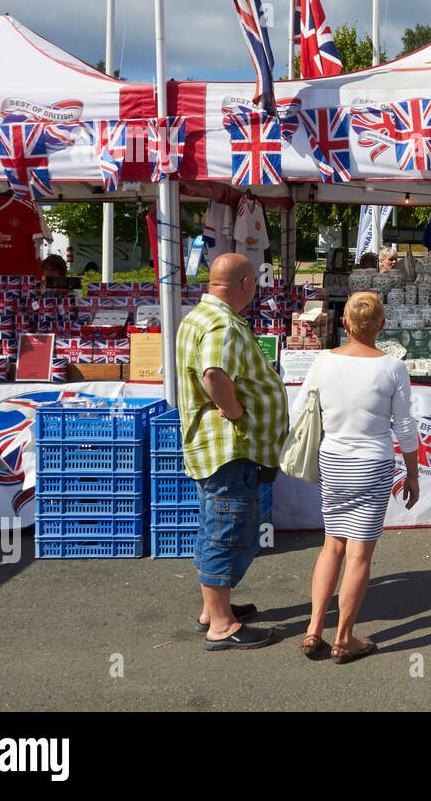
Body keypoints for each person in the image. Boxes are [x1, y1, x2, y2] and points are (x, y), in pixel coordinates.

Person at [292, 292, 420, 663]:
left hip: (333, 459)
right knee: (359, 554)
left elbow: (300, 410)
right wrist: (412, 474)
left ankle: (314, 627)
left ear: (345, 324)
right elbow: (406, 427)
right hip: (372, 463)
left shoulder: (323, 360)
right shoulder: (392, 367)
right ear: (381, 325)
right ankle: (343, 637)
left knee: (332, 544)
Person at [176, 253, 288, 651]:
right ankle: (221, 624)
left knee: (216, 525)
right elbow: (214, 373)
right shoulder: (221, 322)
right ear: (243, 283)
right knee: (228, 530)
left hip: (221, 447)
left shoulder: (200, 316)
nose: (256, 289)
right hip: (231, 447)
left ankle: (214, 608)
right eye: (254, 282)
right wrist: (235, 410)